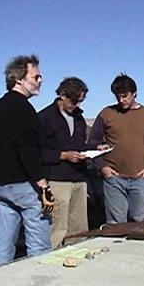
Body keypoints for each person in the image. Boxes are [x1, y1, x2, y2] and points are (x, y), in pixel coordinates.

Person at [0, 54, 53, 266]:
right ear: (18, 79)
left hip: (0, 186)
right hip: (25, 186)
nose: (40, 81)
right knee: (39, 247)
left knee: (4, 246)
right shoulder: (22, 108)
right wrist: (43, 185)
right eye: (36, 77)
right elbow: (27, 150)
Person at [38, 77, 109, 247]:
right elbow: (40, 152)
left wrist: (94, 148)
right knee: (58, 227)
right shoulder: (45, 118)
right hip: (57, 180)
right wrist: (64, 155)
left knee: (78, 228)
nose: (78, 105)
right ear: (63, 95)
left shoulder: (79, 119)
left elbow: (78, 146)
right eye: (75, 101)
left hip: (79, 179)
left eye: (81, 101)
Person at [88, 73, 144, 224]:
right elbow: (93, 141)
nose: (121, 100)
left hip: (140, 178)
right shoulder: (107, 114)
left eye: (125, 96)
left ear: (134, 93)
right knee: (115, 223)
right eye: (117, 97)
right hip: (114, 178)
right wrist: (102, 168)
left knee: (139, 221)